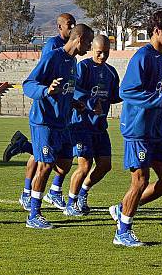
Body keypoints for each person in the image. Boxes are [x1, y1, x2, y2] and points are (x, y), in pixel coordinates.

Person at [110, 10, 162, 247]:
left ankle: (122, 208)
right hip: (137, 129)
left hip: (157, 129)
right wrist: (159, 101)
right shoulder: (142, 57)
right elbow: (126, 92)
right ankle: (123, 231)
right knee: (139, 181)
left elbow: (159, 94)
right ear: (157, 31)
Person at [3, 13, 76, 212]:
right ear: (60, 27)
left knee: (50, 156)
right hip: (46, 111)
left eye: (74, 24)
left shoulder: (73, 58)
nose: (72, 27)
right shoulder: (53, 48)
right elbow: (39, 78)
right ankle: (33, 196)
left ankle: (35, 189)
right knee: (43, 157)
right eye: (69, 24)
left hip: (61, 115)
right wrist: (48, 90)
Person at [23, 24, 94, 229]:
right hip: (44, 121)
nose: (89, 48)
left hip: (62, 123)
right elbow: (29, 84)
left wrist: (73, 103)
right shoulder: (52, 57)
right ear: (79, 39)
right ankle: (34, 215)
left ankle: (26, 146)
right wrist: (47, 90)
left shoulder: (72, 62)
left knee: (63, 164)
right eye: (88, 42)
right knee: (44, 166)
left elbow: (65, 91)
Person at [65, 35, 121, 216]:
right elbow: (73, 90)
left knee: (105, 165)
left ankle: (83, 193)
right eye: (99, 53)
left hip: (99, 126)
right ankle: (70, 203)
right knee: (84, 165)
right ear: (92, 50)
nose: (103, 56)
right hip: (81, 125)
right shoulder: (83, 67)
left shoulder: (111, 72)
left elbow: (114, 95)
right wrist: (90, 101)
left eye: (106, 53)